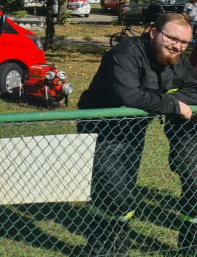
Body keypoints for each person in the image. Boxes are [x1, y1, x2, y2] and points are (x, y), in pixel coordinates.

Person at [77, 13, 197, 255]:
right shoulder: (126, 53)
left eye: (184, 43)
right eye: (172, 38)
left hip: (133, 131)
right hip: (101, 131)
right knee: (115, 194)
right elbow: (128, 95)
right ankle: (99, 249)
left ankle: (116, 249)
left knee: (123, 194)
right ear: (153, 32)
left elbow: (194, 89)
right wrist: (172, 106)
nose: (177, 46)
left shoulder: (177, 60)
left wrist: (164, 101)